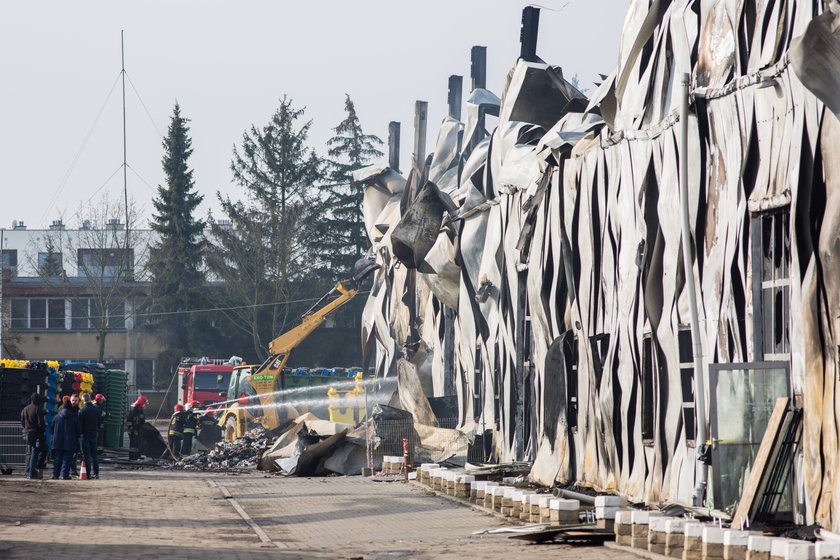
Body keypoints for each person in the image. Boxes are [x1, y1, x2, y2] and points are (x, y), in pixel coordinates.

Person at [51, 397, 81, 480]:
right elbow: (78, 431)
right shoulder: (74, 418)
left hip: (57, 441)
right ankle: (65, 475)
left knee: (57, 459)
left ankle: (55, 475)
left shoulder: (57, 417)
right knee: (67, 459)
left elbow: (52, 429)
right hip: (70, 442)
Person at [20, 393, 46, 479]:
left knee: (28, 453)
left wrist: (26, 429)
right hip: (35, 434)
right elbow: (41, 423)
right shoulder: (38, 409)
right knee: (35, 453)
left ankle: (27, 471)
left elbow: (22, 422)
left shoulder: (25, 409)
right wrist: (41, 430)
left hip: (26, 433)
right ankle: (32, 473)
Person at [78, 393, 102, 479]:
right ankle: (96, 473)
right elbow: (99, 422)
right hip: (94, 434)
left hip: (85, 435)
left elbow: (80, 424)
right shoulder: (97, 409)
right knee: (94, 455)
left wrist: (79, 433)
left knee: (87, 455)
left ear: (83, 400)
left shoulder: (82, 411)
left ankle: (88, 474)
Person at [126, 396, 148, 460]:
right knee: (133, 444)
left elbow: (142, 422)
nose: (142, 407)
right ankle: (132, 456)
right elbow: (128, 422)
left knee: (138, 443)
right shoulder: (132, 413)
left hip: (138, 430)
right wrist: (132, 429)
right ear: (139, 406)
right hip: (132, 431)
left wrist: (144, 428)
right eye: (142, 406)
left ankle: (137, 455)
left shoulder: (140, 412)